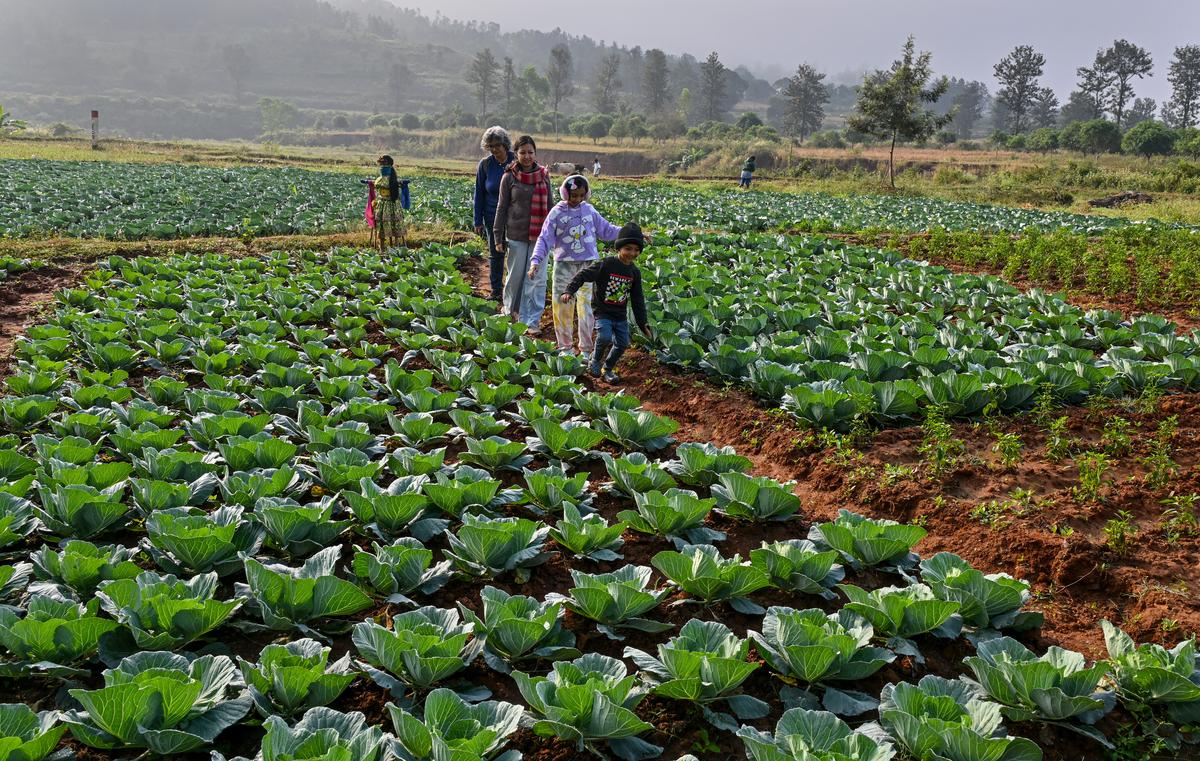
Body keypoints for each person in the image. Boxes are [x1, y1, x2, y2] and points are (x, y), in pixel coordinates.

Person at [528, 175, 619, 357]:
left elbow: (606, 230)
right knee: (562, 306)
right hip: (564, 266)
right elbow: (545, 238)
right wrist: (536, 261)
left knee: (586, 308)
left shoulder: (589, 211)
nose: (577, 200)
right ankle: (566, 348)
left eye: (581, 195)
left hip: (588, 266)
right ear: (564, 193)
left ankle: (586, 350)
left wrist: (631, 232)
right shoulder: (557, 213)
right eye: (573, 196)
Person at [560, 222, 651, 383]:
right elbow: (583, 275)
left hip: (620, 315)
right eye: (628, 248)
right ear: (619, 248)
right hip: (603, 311)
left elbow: (637, 299)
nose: (632, 253)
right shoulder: (607, 264)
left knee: (622, 344)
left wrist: (642, 323)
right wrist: (569, 290)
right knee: (604, 337)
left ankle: (607, 368)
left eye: (636, 249)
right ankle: (594, 361)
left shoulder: (634, 272)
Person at [493, 135, 552, 332]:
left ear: (535, 154)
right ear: (516, 154)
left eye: (530, 152)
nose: (527, 156)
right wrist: (497, 235)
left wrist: (554, 234)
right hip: (516, 235)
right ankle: (510, 311)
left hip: (540, 237)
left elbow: (551, 208)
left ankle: (531, 321)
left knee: (535, 279)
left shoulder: (544, 176)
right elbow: (501, 208)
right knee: (515, 277)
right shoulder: (508, 177)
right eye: (522, 152)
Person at [474, 126, 514, 303]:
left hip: (514, 217)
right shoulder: (485, 165)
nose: (495, 149)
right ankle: (496, 290)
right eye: (491, 146)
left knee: (515, 253)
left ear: (505, 144)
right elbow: (479, 193)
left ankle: (513, 291)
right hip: (491, 216)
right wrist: (478, 220)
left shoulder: (516, 161)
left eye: (498, 144)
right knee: (495, 253)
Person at [373, 155, 406, 250]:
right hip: (392, 203)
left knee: (385, 223)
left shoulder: (382, 180)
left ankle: (384, 247)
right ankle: (395, 246)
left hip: (384, 204)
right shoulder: (393, 179)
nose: (382, 166)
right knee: (392, 223)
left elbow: (378, 184)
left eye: (383, 164)